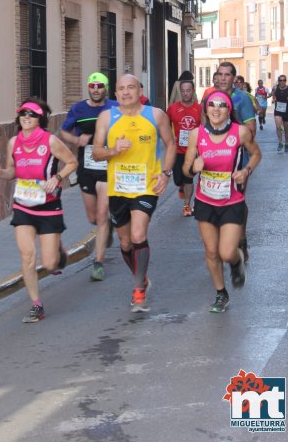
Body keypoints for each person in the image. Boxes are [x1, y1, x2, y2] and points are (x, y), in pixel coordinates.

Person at [0, 97, 78, 323]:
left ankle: (58, 249)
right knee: (27, 256)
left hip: (48, 205)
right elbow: (12, 172)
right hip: (24, 206)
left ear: (40, 119)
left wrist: (57, 178)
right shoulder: (13, 143)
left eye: (32, 114)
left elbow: (72, 162)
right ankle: (37, 305)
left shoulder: (51, 141)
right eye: (23, 113)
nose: (26, 117)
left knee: (48, 264)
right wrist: (0, 173)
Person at [93, 74, 177, 312]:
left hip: (146, 185)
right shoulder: (106, 117)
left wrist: (166, 173)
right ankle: (144, 278)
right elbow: (96, 153)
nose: (126, 92)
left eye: (131, 87)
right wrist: (113, 150)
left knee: (139, 235)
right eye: (121, 89)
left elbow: (170, 144)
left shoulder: (156, 115)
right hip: (118, 188)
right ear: (116, 94)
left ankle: (139, 288)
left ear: (140, 90)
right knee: (126, 242)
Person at [183, 91, 262, 313]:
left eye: (222, 105)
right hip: (205, 200)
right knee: (211, 251)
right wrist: (192, 168)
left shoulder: (240, 133)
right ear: (205, 110)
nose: (216, 109)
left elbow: (256, 154)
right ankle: (221, 293)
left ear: (229, 110)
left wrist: (246, 171)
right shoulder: (196, 135)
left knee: (226, 252)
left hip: (232, 200)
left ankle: (236, 263)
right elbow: (186, 169)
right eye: (212, 105)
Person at [60, 72, 118, 281]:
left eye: (99, 86)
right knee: (92, 217)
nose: (95, 90)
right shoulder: (78, 109)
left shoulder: (114, 107)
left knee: (102, 214)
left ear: (106, 88)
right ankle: (108, 226)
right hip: (86, 169)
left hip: (106, 167)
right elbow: (64, 132)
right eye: (92, 86)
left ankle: (99, 262)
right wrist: (76, 140)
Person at [216, 62, 256, 262]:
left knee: (237, 200)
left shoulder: (242, 99)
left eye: (227, 75)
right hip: (214, 160)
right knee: (215, 199)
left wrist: (230, 135)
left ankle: (241, 238)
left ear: (234, 78)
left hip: (239, 159)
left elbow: (251, 129)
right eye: (220, 74)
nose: (223, 78)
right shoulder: (210, 98)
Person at [166, 80, 202, 216]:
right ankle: (181, 186)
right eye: (183, 91)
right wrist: (170, 137)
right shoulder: (173, 108)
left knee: (188, 177)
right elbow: (165, 124)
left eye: (188, 90)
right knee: (177, 179)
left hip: (193, 151)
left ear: (193, 91)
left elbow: (204, 128)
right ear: (180, 92)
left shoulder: (199, 109)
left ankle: (187, 205)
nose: (186, 93)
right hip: (177, 150)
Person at [272, 75, 288, 153]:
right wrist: (274, 99)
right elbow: (273, 95)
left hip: (286, 111)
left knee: (286, 129)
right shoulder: (275, 88)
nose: (282, 82)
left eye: (284, 80)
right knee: (278, 126)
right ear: (278, 81)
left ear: (286, 81)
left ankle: (286, 143)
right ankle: (280, 143)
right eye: (280, 80)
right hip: (278, 110)